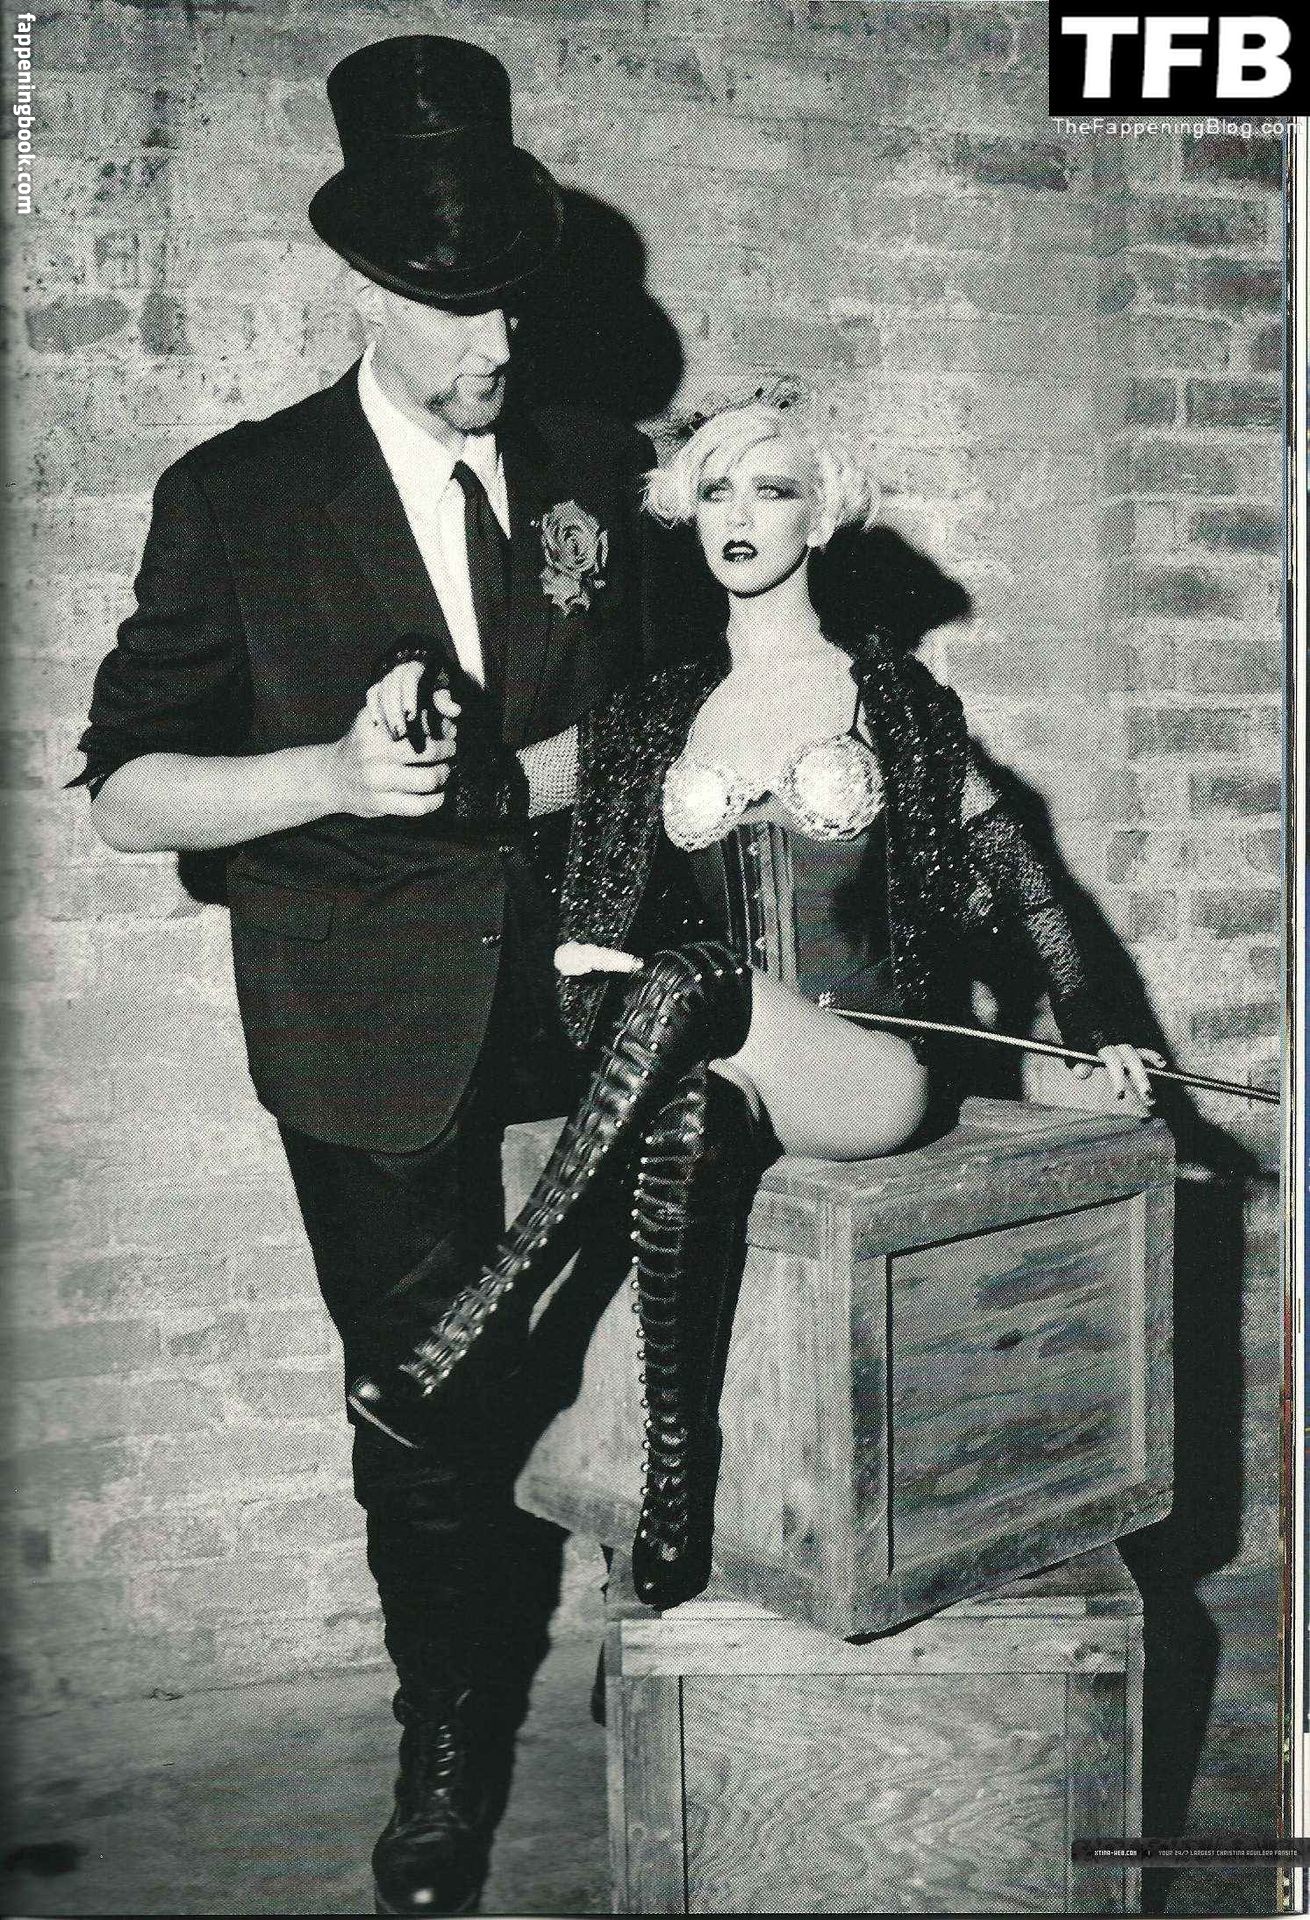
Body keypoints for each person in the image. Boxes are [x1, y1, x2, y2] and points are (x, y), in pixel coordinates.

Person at [75, 35, 662, 1918]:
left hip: (592, 996)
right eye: (453, 306)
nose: (497, 340)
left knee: (652, 1345)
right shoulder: (237, 495)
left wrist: (546, 777)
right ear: (360, 292)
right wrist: (329, 777)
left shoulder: (596, 468)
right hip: (367, 1026)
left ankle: (669, 1655)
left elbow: (670, 711)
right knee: (423, 1410)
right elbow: (128, 792)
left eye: (515, 298)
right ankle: (447, 1742)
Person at [348, 383, 1166, 1616]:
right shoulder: (650, 716)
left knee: (695, 976)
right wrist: (405, 679)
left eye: (771, 490)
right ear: (689, 514)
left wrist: (1101, 1033)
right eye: (715, 490)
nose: (739, 515)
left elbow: (1022, 874)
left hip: (867, 1075)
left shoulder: (891, 701)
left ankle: (485, 1321)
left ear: (817, 516)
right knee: (685, 1123)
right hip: (730, 1068)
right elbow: (490, 793)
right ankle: (676, 1493)